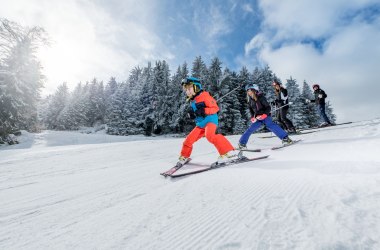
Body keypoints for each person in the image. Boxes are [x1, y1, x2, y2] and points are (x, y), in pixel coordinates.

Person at [178, 77, 239, 164]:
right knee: (188, 140)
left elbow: (215, 108)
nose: (187, 91)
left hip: (210, 120)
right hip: (200, 124)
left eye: (189, 88)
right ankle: (184, 156)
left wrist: (204, 110)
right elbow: (198, 114)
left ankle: (229, 152)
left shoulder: (205, 96)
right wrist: (193, 115)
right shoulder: (192, 101)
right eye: (186, 89)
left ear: (197, 87)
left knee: (210, 136)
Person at [238, 83, 293, 149]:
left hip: (265, 116)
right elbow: (251, 111)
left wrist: (264, 114)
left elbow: (268, 107)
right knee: (250, 129)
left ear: (254, 90)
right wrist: (253, 117)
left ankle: (286, 139)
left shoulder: (261, 97)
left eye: (249, 91)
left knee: (271, 125)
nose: (248, 92)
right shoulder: (250, 100)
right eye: (247, 91)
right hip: (258, 118)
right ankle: (242, 143)